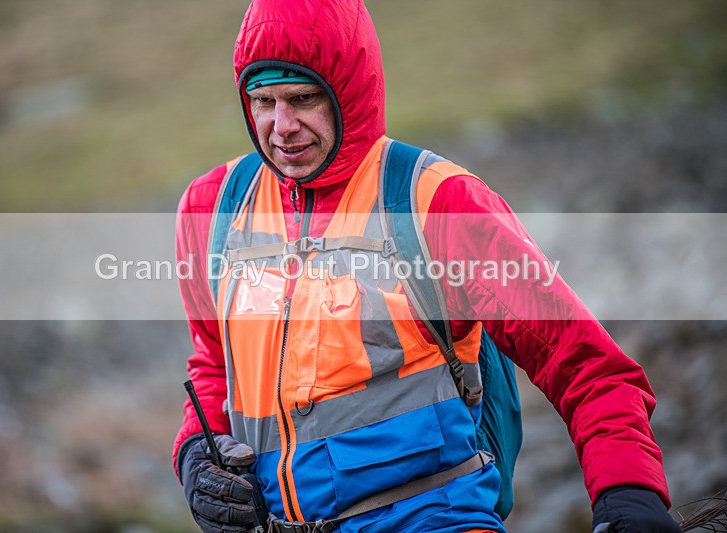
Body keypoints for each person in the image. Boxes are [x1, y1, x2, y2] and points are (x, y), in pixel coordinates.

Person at [172, 1, 681, 532]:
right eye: (263, 101)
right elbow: (212, 365)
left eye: (302, 99)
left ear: (348, 91)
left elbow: (586, 366)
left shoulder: (438, 202)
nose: (282, 127)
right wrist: (193, 454)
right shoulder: (213, 208)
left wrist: (629, 492)